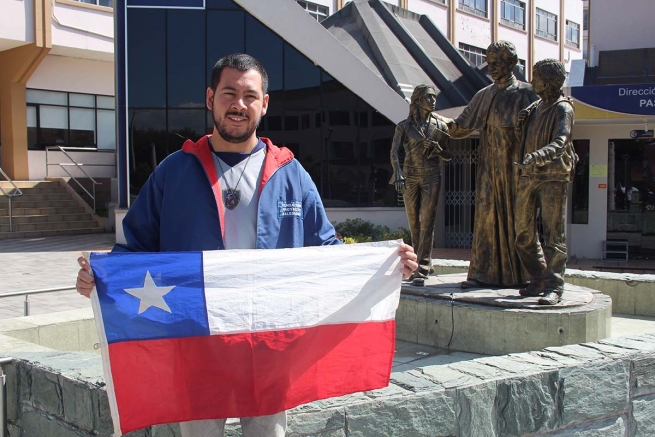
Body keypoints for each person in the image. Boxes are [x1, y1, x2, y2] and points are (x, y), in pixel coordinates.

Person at [76, 53, 418, 437]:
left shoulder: (291, 174)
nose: (239, 104)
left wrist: (383, 265)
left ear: (264, 104)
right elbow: (135, 246)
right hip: (198, 341)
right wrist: (101, 276)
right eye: (229, 93)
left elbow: (327, 250)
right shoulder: (174, 171)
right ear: (210, 98)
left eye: (250, 95)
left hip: (269, 344)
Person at [436, 41, 538, 289]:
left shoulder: (527, 94)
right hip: (489, 171)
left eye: (497, 62)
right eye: (489, 63)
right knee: (486, 220)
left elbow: (543, 131)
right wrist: (431, 117)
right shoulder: (484, 95)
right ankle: (483, 274)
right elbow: (460, 128)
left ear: (512, 63)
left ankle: (527, 277)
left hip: (517, 170)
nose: (491, 68)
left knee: (520, 223)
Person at [513, 59, 577, 305]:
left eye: (536, 77)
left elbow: (561, 142)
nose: (532, 81)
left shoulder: (563, 109)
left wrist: (537, 155)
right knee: (523, 233)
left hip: (553, 177)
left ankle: (554, 286)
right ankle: (539, 277)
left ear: (549, 82)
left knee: (553, 235)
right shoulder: (535, 107)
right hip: (529, 175)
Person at [390, 85, 452, 286]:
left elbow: (449, 155)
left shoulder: (440, 126)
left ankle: (422, 267)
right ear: (417, 100)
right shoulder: (404, 126)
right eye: (428, 97)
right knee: (414, 223)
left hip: (431, 176)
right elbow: (394, 152)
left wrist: (439, 149)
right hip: (410, 177)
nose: (433, 101)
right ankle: (421, 262)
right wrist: (398, 173)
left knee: (427, 221)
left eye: (434, 97)